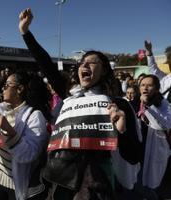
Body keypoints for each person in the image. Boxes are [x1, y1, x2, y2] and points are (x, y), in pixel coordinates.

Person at [19, 8, 140, 199]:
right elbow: (47, 66)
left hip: (95, 184)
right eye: (82, 62)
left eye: (92, 63)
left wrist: (122, 131)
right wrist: (26, 33)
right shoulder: (69, 96)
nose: (84, 65)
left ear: (105, 72)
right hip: (60, 181)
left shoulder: (118, 106)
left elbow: (133, 155)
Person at [0, 70, 51, 200]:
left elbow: (30, 154)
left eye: (7, 85)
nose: (2, 89)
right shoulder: (1, 109)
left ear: (19, 89)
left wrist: (10, 131)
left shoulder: (35, 116)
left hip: (16, 186)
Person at [135, 74, 171, 200]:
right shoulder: (135, 101)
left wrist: (149, 107)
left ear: (156, 89)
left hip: (155, 148)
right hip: (139, 149)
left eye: (149, 85)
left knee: (151, 184)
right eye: (142, 85)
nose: (145, 88)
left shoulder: (163, 104)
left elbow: (164, 125)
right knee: (139, 183)